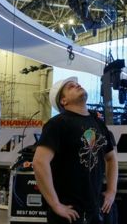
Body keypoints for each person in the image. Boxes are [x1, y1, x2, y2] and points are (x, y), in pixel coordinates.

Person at [33, 77, 118, 224]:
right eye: (71, 87)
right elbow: (39, 162)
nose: (77, 85)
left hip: (96, 209)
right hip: (70, 212)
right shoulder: (57, 124)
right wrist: (55, 204)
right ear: (63, 101)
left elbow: (111, 158)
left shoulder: (98, 123)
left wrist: (111, 191)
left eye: (77, 84)